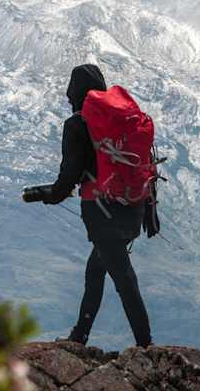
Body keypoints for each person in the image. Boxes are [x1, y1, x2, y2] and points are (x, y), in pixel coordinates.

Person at [44, 64, 152, 348]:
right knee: (95, 270)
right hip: (133, 208)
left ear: (74, 91)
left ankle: (146, 346)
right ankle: (80, 335)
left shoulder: (77, 125)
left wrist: (51, 194)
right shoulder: (123, 121)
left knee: (124, 279)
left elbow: (70, 174)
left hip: (102, 214)